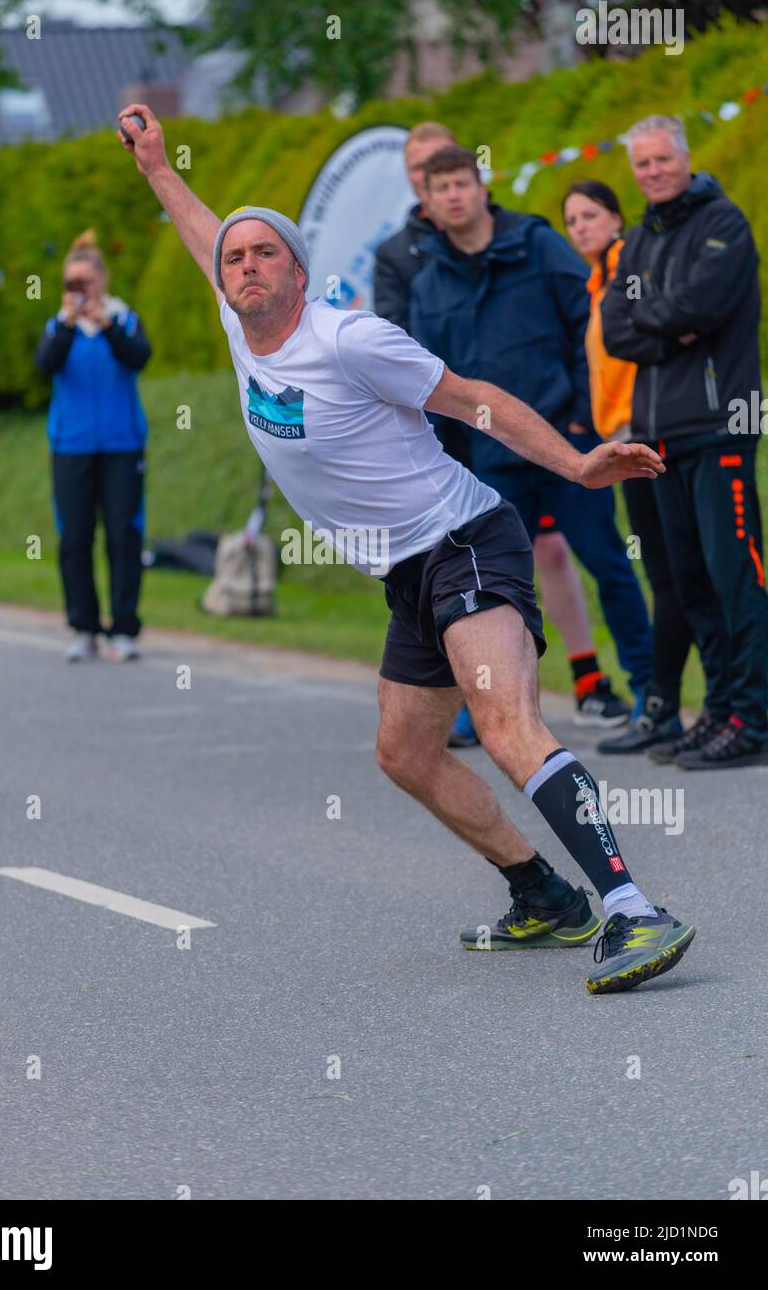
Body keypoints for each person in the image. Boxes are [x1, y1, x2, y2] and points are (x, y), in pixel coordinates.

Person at [118, 100, 695, 995]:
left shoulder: (348, 339)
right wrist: (156, 166)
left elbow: (476, 399)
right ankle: (541, 894)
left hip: (464, 540)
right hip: (406, 574)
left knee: (505, 726)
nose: (243, 264)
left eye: (265, 251)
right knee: (405, 754)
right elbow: (205, 231)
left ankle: (631, 907)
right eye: (234, 259)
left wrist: (578, 465)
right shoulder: (241, 325)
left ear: (299, 273)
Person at [375, 129, 631, 748]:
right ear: (422, 194)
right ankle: (479, 703)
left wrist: (580, 419)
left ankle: (638, 688)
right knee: (484, 579)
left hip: (556, 432)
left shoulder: (531, 241)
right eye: (430, 181)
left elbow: (582, 324)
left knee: (592, 558)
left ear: (479, 184)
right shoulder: (410, 263)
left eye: (458, 180)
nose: (446, 191)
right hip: (475, 450)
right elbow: (404, 359)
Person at [601, 115, 768, 769]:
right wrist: (668, 323)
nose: (651, 173)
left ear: (684, 158)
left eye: (660, 160)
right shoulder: (639, 239)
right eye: (640, 164)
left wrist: (668, 318)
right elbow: (616, 328)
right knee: (690, 584)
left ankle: (753, 720)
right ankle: (719, 712)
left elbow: (700, 306)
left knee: (735, 578)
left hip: (720, 428)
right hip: (661, 436)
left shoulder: (723, 224)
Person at [562, 180, 693, 753]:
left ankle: (665, 704)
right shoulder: (597, 282)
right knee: (662, 572)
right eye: (571, 220)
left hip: (647, 432)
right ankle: (660, 705)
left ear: (616, 218)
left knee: (671, 573)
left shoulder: (628, 270)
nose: (579, 227)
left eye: (590, 215)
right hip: (619, 438)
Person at [35, 230, 152, 662]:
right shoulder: (57, 326)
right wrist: (69, 321)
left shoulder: (123, 319)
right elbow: (45, 364)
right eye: (72, 282)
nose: (80, 289)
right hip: (71, 446)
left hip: (122, 445)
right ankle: (83, 625)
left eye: (86, 281)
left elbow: (139, 356)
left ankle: (124, 628)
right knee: (74, 538)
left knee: (123, 535)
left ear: (102, 280)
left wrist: (105, 324)